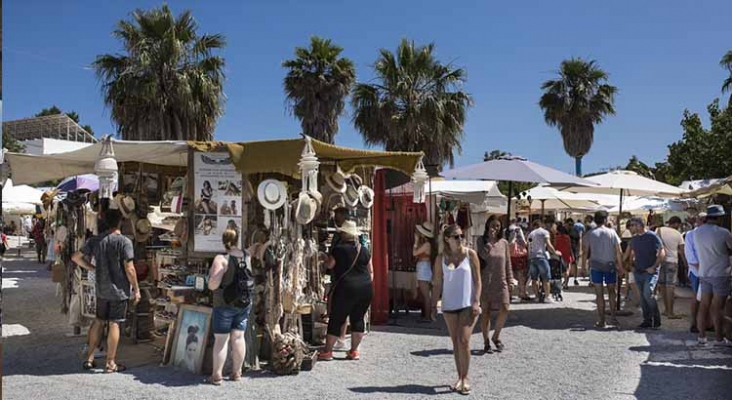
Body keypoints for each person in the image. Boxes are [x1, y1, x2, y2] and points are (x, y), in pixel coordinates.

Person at [72, 209, 140, 373]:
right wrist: (136, 289)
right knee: (114, 323)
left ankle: (89, 359)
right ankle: (110, 363)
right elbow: (130, 268)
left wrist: (92, 268)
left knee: (99, 321)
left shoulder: (95, 240)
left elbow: (75, 257)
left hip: (101, 289)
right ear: (120, 222)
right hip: (119, 290)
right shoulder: (124, 242)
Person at [431, 225, 481, 395]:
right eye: (456, 236)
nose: (460, 239)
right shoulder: (440, 258)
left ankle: (465, 378)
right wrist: (432, 305)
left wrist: (476, 301)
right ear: (447, 239)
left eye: (461, 235)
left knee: (464, 340)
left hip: (468, 304)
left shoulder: (470, 254)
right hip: (449, 305)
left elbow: (478, 281)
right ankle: (459, 376)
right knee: (455, 342)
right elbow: (437, 283)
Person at [318, 220, 374, 362]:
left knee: (337, 318)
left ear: (343, 234)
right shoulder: (364, 249)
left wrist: (324, 259)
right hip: (365, 288)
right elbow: (371, 271)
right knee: (358, 318)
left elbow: (330, 265)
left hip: (346, 287)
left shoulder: (339, 249)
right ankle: (354, 351)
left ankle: (328, 351)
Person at [207, 228, 253, 385]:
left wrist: (209, 281)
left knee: (221, 340)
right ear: (237, 239)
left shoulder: (221, 258)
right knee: (239, 337)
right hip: (244, 303)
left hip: (224, 304)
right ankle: (237, 373)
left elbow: (214, 284)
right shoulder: (246, 255)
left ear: (223, 240)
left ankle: (217, 375)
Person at [693, 205, 732, 346]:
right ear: (720, 218)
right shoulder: (724, 232)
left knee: (704, 305)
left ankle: (702, 337)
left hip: (704, 272)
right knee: (718, 308)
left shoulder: (697, 232)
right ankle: (719, 338)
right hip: (721, 273)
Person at [478, 216, 513, 354]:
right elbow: (481, 257)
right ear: (487, 226)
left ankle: (496, 336)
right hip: (486, 281)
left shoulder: (504, 243)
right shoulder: (481, 241)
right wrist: (488, 244)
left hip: (501, 281)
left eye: (498, 226)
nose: (495, 228)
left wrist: (511, 280)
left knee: (505, 307)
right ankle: (486, 342)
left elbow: (508, 263)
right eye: (493, 225)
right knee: (485, 312)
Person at [582, 211, 624, 328]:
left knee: (599, 294)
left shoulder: (590, 234)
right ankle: (613, 318)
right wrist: (620, 267)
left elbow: (585, 251)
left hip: (595, 265)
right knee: (611, 292)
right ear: (605, 220)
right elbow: (619, 251)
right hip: (610, 265)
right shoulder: (612, 232)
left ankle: (601, 320)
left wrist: (584, 268)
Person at [626, 218, 665, 329]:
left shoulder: (652, 236)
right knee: (643, 297)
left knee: (648, 294)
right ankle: (647, 320)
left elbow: (661, 252)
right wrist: (631, 265)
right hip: (638, 272)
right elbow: (632, 254)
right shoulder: (634, 239)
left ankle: (656, 319)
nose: (631, 227)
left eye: (633, 225)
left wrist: (654, 267)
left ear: (640, 225)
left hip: (650, 272)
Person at [655, 216, 686, 319]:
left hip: (661, 261)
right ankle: (670, 312)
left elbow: (655, 245)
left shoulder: (659, 230)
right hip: (672, 262)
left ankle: (665, 310)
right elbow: (682, 250)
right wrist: (686, 263)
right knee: (670, 287)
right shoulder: (678, 234)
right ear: (676, 223)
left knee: (663, 286)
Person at [527, 219, 557, 303]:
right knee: (546, 277)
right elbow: (548, 244)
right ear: (541, 225)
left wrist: (529, 258)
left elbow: (528, 246)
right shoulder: (544, 232)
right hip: (541, 257)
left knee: (534, 278)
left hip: (532, 257)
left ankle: (536, 297)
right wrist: (555, 252)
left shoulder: (530, 234)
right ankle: (547, 296)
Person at [685, 213, 705, 333]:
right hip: (696, 271)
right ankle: (694, 323)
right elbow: (690, 253)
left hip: (708, 269)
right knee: (697, 298)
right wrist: (698, 265)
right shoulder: (691, 234)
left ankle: (704, 323)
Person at [413, 222, 436, 322]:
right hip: (424, 267)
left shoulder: (426, 244)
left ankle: (428, 316)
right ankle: (428, 314)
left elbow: (414, 253)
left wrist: (416, 242)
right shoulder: (427, 244)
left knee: (426, 294)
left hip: (423, 268)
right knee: (426, 294)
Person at [508, 224, 529, 301]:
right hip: (520, 256)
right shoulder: (519, 236)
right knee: (521, 276)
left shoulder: (508, 234)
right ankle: (522, 293)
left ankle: (510, 294)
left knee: (510, 275)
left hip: (511, 256)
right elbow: (525, 243)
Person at [553, 223, 575, 290]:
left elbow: (554, 246)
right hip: (567, 254)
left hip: (559, 255)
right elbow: (570, 247)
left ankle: (560, 283)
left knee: (560, 270)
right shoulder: (567, 237)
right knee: (567, 269)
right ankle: (566, 284)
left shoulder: (556, 237)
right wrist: (572, 255)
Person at [565, 218, 582, 286]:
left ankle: (575, 279)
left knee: (574, 264)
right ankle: (566, 280)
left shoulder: (575, 231)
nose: (570, 226)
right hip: (566, 250)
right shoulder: (564, 231)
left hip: (574, 249)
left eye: (571, 224)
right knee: (567, 265)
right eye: (569, 224)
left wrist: (579, 250)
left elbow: (579, 241)